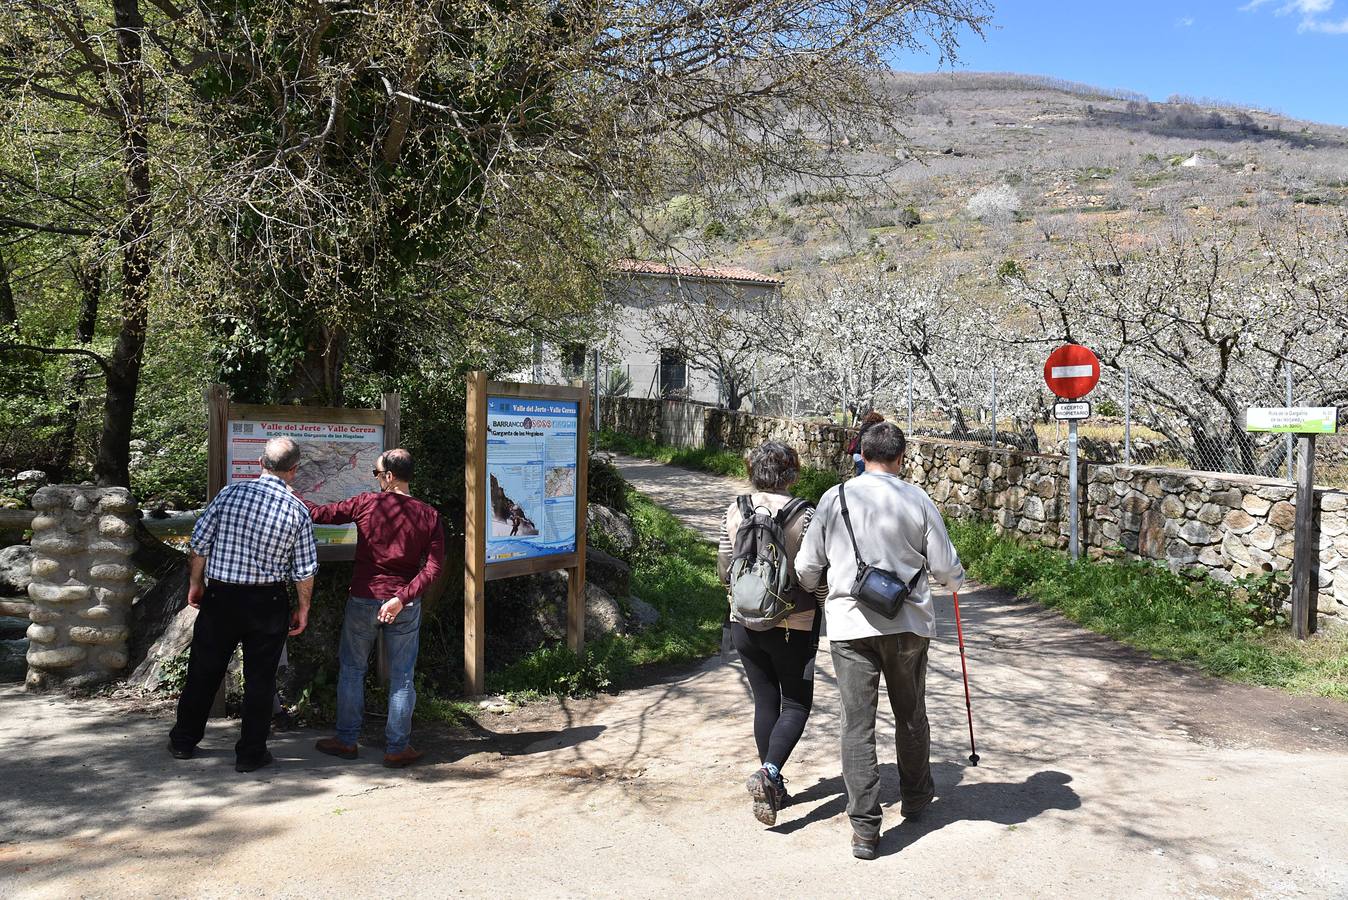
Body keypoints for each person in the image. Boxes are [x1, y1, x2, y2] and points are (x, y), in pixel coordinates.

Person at [795, 422, 965, 860]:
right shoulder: (917, 498)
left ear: (862, 454)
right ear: (901, 458)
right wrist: (954, 580)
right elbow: (945, 568)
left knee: (857, 724)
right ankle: (916, 795)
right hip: (908, 625)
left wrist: (821, 587)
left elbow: (807, 566)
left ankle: (866, 828)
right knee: (910, 714)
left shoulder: (835, 498)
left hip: (850, 627)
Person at [168, 437, 317, 773]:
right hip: (268, 601)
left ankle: (183, 741)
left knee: (204, 672)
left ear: (260, 464)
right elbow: (305, 570)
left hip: (222, 597)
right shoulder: (297, 509)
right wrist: (303, 608)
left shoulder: (229, 494)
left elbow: (199, 545)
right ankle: (250, 754)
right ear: (293, 471)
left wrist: (196, 584)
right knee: (261, 680)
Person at [307, 448, 445, 768]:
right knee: (402, 675)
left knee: (353, 669)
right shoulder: (429, 515)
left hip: (363, 598)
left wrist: (289, 493)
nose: (375, 479)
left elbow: (319, 514)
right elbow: (433, 568)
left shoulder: (366, 503)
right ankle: (397, 747)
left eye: (375, 473)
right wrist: (402, 597)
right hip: (404, 605)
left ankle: (346, 740)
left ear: (389, 476)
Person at [717, 441, 826, 827]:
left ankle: (772, 783)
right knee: (795, 704)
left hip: (744, 621)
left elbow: (724, 566)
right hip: (791, 625)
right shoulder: (806, 514)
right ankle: (769, 774)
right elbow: (815, 573)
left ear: (753, 471)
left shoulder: (736, 508)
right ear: (792, 473)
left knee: (765, 702)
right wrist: (823, 603)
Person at [847, 411, 886, 477]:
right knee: (865, 475)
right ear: (877, 420)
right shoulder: (871, 428)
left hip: (857, 454)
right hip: (861, 455)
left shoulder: (865, 426)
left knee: (862, 474)